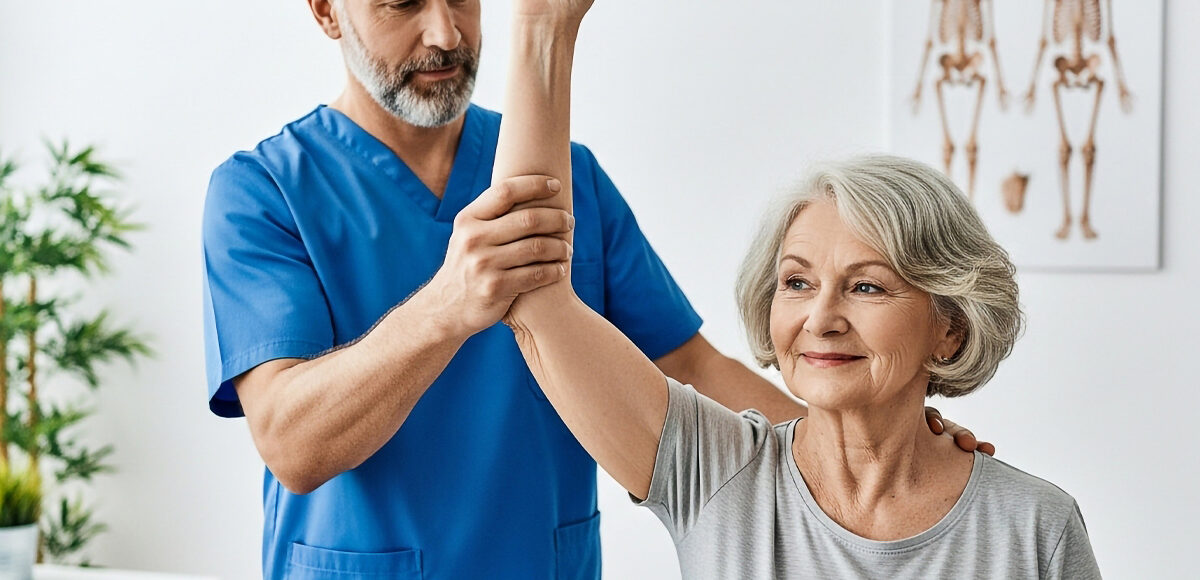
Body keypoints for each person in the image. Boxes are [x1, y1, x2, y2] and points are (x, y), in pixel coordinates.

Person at [201, 1, 987, 578]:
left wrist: (889, 444)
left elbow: (690, 366)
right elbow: (292, 445)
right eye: (403, 3)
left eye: (462, 0)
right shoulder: (263, 192)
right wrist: (450, 304)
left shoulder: (570, 177)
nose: (445, 33)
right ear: (326, 12)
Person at [495, 4, 1101, 579]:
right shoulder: (711, 471)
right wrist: (542, 26)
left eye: (866, 286)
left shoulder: (1035, 527)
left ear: (950, 328)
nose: (821, 317)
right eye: (797, 282)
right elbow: (531, 290)